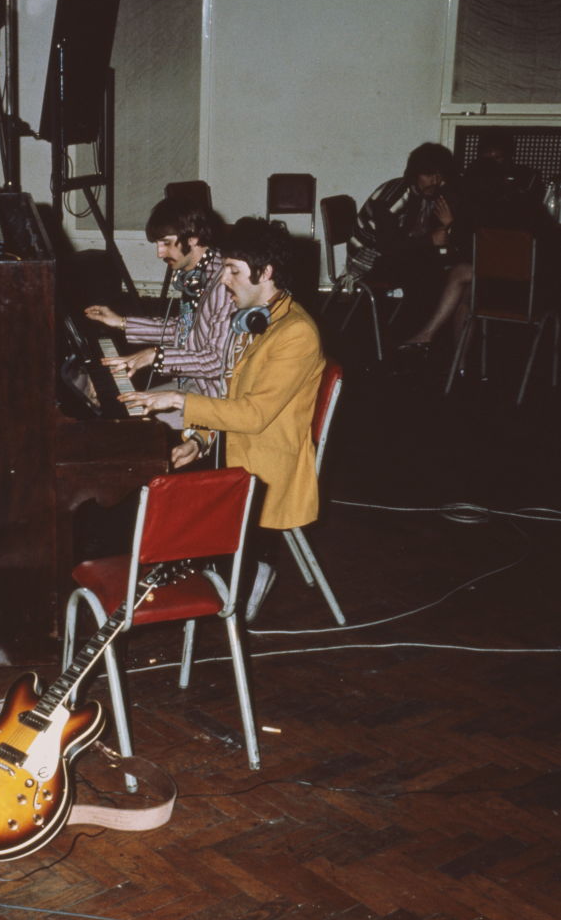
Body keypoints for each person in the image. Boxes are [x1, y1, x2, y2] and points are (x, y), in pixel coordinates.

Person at [119, 217, 325, 622]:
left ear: (265, 273)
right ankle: (179, 587)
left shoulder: (296, 333)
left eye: (233, 270)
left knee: (156, 505)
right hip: (232, 450)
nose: (224, 280)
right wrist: (198, 439)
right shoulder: (256, 318)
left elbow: (252, 414)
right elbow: (231, 394)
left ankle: (233, 575)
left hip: (265, 469)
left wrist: (178, 399)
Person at [83, 196, 242, 447]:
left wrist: (154, 356)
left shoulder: (222, 284)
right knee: (116, 406)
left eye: (166, 243)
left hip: (212, 399)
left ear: (193, 238)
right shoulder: (197, 274)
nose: (159, 253)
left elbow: (216, 362)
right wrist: (122, 322)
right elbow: (184, 330)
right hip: (190, 385)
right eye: (157, 244)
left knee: (124, 431)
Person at [397, 130, 549, 354]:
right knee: (465, 289)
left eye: (497, 159)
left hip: (525, 287)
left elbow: (489, 245)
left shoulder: (517, 198)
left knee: (460, 275)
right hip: (504, 278)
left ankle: (428, 335)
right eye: (487, 159)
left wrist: (451, 225)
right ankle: (459, 366)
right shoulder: (486, 194)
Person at [345, 143, 472, 365]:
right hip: (369, 256)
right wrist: (430, 240)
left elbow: (428, 238)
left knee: (443, 270)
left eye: (439, 175)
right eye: (428, 174)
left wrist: (447, 225)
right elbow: (388, 246)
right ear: (414, 174)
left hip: (395, 252)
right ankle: (412, 341)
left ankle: (423, 338)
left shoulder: (431, 194)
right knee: (425, 274)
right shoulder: (394, 197)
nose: (435, 181)